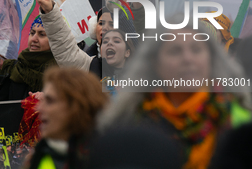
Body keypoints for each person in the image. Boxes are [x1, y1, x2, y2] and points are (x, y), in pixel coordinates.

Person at [98, 18, 251, 169]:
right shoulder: (127, 120)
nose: (187, 58)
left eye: (196, 49)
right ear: (155, 63)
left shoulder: (240, 122)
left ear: (211, 59)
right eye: (175, 51)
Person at [36, 0, 135, 83]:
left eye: (116, 41)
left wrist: (118, 12)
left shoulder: (142, 68)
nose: (109, 43)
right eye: (105, 42)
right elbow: (65, 48)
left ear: (128, 51)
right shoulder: (90, 66)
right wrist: (50, 13)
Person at [24, 67, 108, 169]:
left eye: (50, 101)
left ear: (77, 107)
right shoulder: (38, 156)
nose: (39, 108)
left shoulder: (106, 159)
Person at [0, 15, 57, 101]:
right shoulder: (12, 67)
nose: (34, 39)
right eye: (32, 33)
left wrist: (51, 98)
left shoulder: (63, 71)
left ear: (54, 40)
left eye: (42, 34)